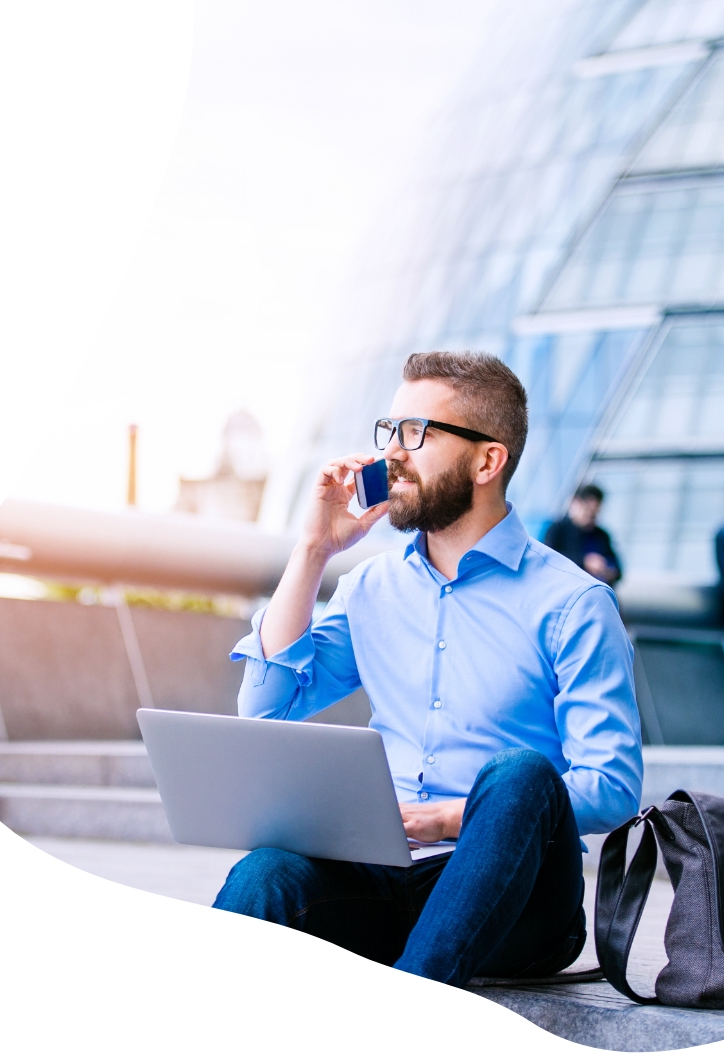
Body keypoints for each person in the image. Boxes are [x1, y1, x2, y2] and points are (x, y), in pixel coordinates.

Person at [214, 350, 642, 989]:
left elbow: (611, 786)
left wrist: (448, 815)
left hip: (518, 897)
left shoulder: (574, 604)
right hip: (384, 872)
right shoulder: (370, 588)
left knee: (521, 775)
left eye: (417, 434)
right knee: (266, 874)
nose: (391, 454)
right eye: (390, 431)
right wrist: (313, 550)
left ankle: (409, 1012)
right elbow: (267, 710)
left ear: (486, 460)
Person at [544, 485, 622, 586]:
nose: (591, 515)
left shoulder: (602, 535)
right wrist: (585, 562)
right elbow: (549, 559)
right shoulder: (557, 529)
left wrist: (607, 569)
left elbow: (617, 569)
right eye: (587, 510)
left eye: (595, 512)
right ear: (575, 504)